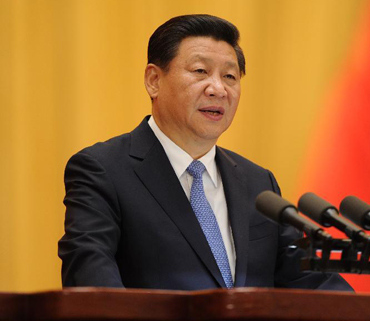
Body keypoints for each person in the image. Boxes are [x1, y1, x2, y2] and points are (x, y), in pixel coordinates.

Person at [58, 14, 352, 291]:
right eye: (200, 71)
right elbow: (92, 281)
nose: (218, 89)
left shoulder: (258, 184)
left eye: (230, 77)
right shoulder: (103, 170)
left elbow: (313, 281)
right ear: (154, 80)